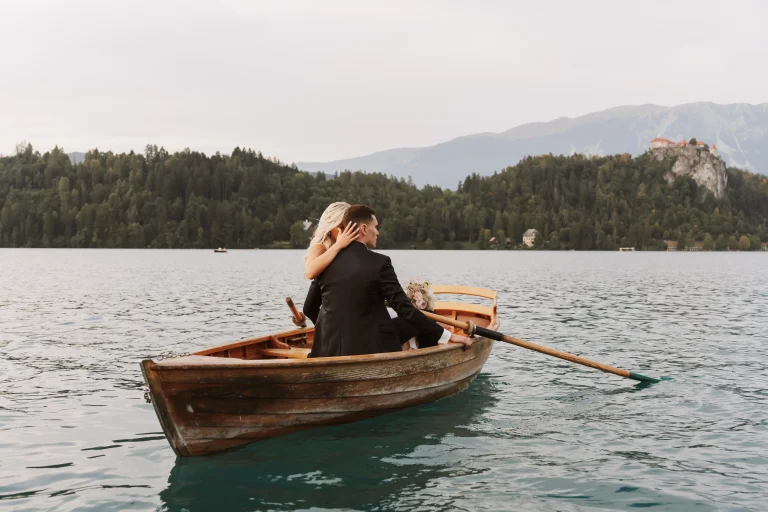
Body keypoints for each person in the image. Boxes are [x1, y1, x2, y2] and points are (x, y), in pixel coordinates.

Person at [303, 204, 472, 357]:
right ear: (363, 228)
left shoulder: (325, 262)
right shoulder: (380, 263)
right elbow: (405, 309)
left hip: (326, 350)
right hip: (370, 347)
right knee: (422, 319)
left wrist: (334, 330)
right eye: (375, 227)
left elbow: (309, 308)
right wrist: (449, 336)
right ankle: (429, 364)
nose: (377, 232)